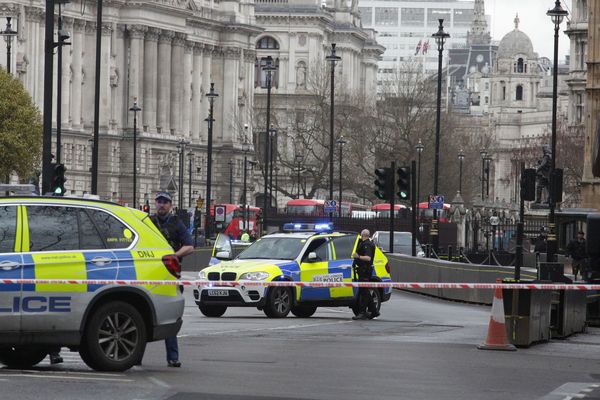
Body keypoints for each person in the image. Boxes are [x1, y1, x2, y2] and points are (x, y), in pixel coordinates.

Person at [150, 191, 194, 367]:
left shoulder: (176, 223)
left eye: (165, 202)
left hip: (169, 273)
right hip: (148, 272)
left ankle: (173, 357)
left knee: (170, 316)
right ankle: (135, 357)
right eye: (159, 201)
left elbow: (190, 246)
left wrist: (173, 256)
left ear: (170, 205)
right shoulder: (149, 222)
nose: (161, 205)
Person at [352, 229, 379, 320]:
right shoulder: (368, 243)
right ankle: (374, 311)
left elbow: (368, 258)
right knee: (365, 291)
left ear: (362, 235)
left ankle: (362, 312)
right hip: (364, 271)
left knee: (364, 292)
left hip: (364, 271)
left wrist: (358, 256)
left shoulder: (367, 244)